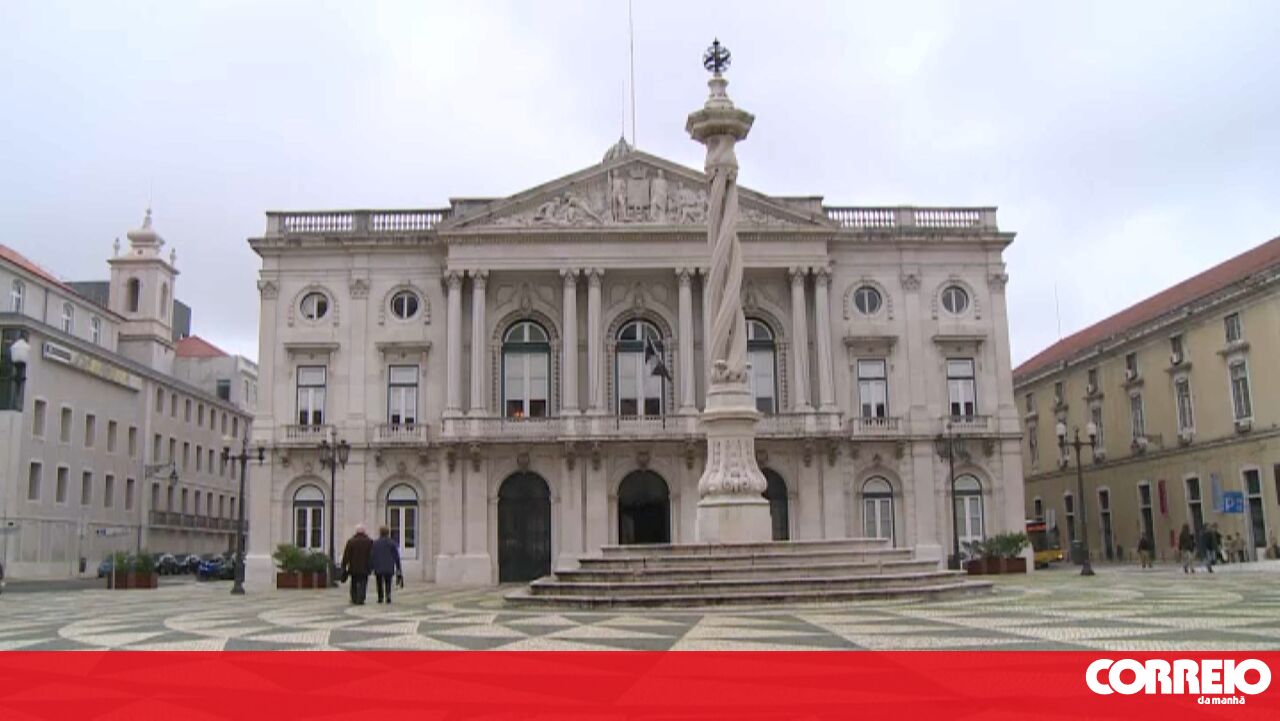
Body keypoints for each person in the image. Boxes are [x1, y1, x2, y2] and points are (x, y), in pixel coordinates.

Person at [340, 524, 374, 605]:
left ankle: (354, 597)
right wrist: (372, 566)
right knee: (363, 583)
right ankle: (361, 598)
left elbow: (346, 555)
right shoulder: (369, 542)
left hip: (353, 566)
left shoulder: (351, 541)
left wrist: (344, 564)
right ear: (364, 532)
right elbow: (372, 555)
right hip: (365, 566)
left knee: (354, 582)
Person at [370, 526, 403, 605]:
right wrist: (398, 567)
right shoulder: (392, 543)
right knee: (388, 582)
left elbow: (372, 555)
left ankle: (380, 597)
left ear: (380, 533)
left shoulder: (375, 543)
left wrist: (371, 566)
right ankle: (388, 596)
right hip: (389, 566)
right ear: (388, 533)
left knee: (379, 582)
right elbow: (396, 556)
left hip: (378, 566)